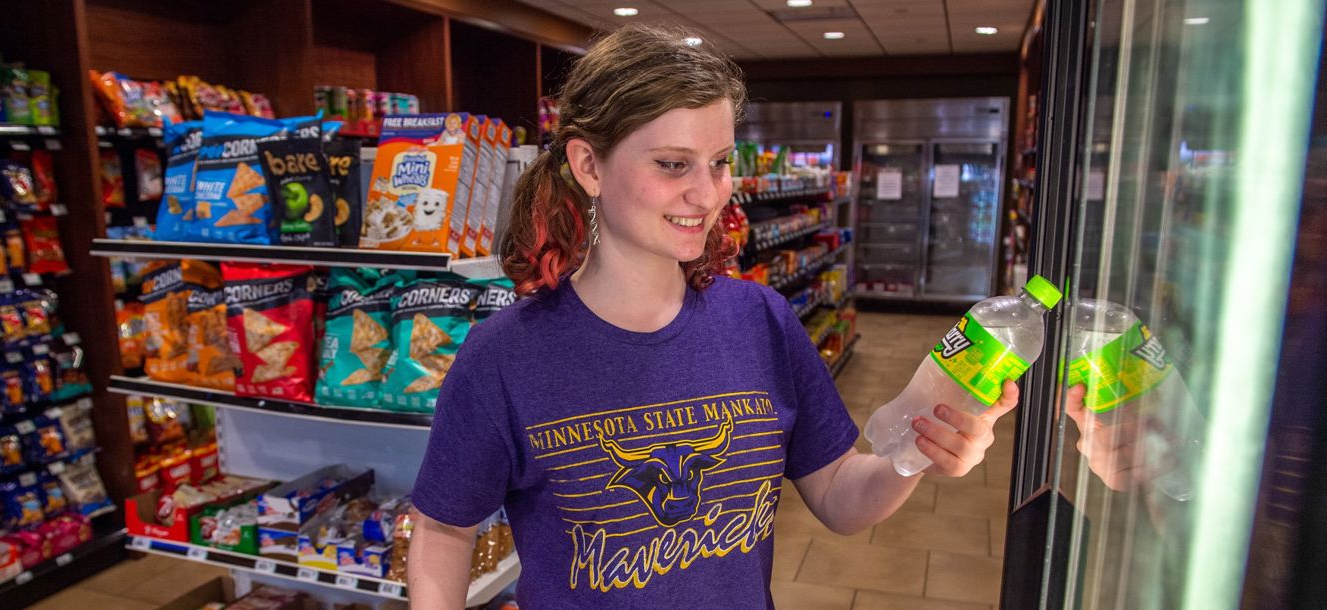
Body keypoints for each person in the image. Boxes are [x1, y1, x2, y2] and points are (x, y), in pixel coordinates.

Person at [407, 24, 1018, 609]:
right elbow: (444, 531)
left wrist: (917, 446)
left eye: (720, 162)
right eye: (673, 164)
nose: (708, 194)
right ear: (590, 166)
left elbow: (837, 496)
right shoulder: (505, 355)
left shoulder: (762, 320)